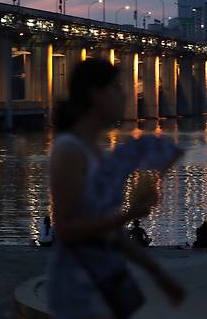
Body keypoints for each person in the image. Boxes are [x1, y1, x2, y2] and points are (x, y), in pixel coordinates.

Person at [47, 59, 185, 319]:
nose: (125, 95)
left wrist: (158, 274)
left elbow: (110, 232)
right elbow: (65, 229)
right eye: (117, 88)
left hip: (102, 283)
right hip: (77, 287)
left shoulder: (95, 152)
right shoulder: (69, 150)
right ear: (96, 95)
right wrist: (130, 214)